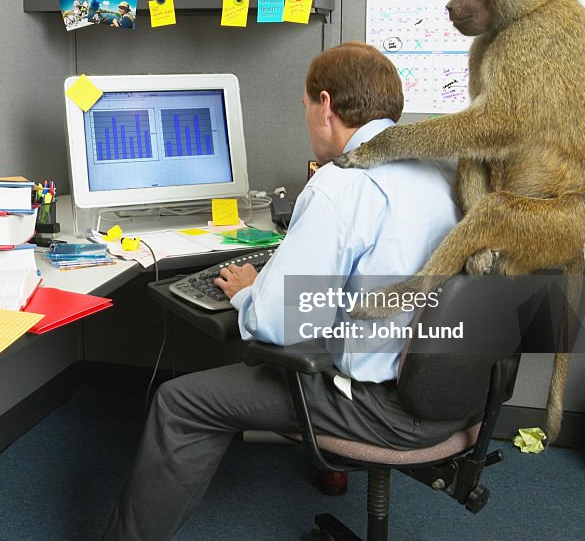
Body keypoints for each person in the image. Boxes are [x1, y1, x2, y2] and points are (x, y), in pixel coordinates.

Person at [103, 42, 462, 541]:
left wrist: (251, 290)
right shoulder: (437, 171)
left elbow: (280, 324)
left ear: (327, 105)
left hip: (382, 406)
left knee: (179, 401)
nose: (308, 118)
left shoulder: (343, 184)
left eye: (306, 107)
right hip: (451, 395)